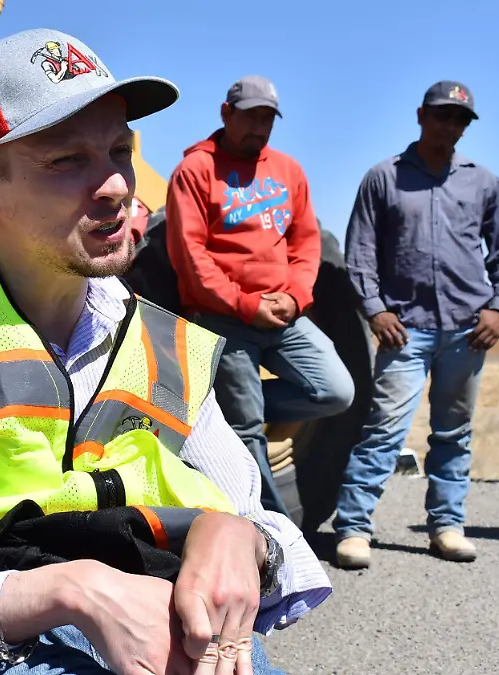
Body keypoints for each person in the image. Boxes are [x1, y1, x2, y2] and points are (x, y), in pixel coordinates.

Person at [0, 29, 331, 675]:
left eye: (120, 149)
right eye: (65, 160)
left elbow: (278, 536)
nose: (117, 184)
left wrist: (244, 539)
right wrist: (70, 592)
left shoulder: (157, 341)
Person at [332, 81, 499, 569]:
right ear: (421, 115)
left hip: (467, 329)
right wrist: (375, 310)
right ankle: (354, 530)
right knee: (383, 431)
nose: (450, 126)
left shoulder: (483, 183)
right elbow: (360, 254)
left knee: (454, 433)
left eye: (460, 119)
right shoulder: (384, 178)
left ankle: (447, 525)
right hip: (405, 329)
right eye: (442, 116)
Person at [165, 76, 354, 518]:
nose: (259, 126)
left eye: (267, 118)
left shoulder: (288, 171)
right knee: (247, 429)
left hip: (283, 314)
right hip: (223, 317)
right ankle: (271, 530)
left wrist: (295, 297)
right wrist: (246, 304)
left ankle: (221, 409)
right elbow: (191, 257)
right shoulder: (195, 172)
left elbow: (306, 244)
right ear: (226, 113)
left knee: (335, 391)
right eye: (250, 116)